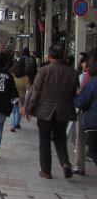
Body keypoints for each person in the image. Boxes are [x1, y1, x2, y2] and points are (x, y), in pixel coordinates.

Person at [23, 44, 78, 179]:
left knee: (45, 140)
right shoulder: (73, 73)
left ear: (50, 56)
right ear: (63, 56)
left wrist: (28, 109)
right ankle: (65, 163)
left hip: (45, 111)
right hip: (64, 111)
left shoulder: (44, 71)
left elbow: (35, 91)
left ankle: (46, 170)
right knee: (60, 138)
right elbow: (74, 93)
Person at [74, 58, 97, 173]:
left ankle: (79, 166)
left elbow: (81, 102)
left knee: (91, 149)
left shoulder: (91, 84)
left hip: (92, 121)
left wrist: (77, 96)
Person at [8, 59, 30, 133]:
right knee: (19, 110)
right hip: (21, 96)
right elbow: (28, 88)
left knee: (12, 111)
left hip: (12, 95)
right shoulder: (25, 77)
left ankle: (12, 124)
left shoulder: (11, 75)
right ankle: (17, 123)